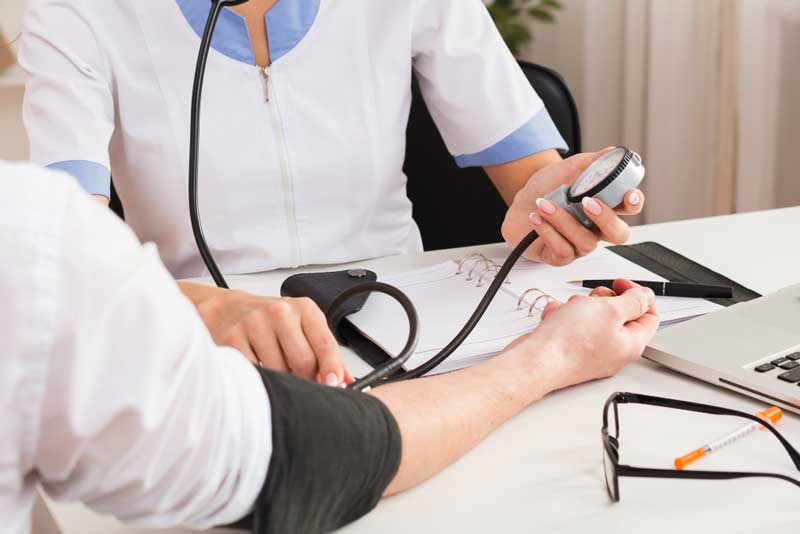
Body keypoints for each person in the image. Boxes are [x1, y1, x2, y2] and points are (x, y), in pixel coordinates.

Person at [1, 161, 658, 534]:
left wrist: (547, 201)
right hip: (213, 344)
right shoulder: (30, 237)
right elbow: (315, 455)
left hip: (387, 308)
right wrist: (550, 357)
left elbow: (533, 166)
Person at [18, 0, 646, 386]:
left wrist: (551, 208)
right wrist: (202, 307)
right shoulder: (73, 11)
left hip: (407, 321)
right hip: (200, 338)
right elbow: (68, 250)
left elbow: (531, 175)